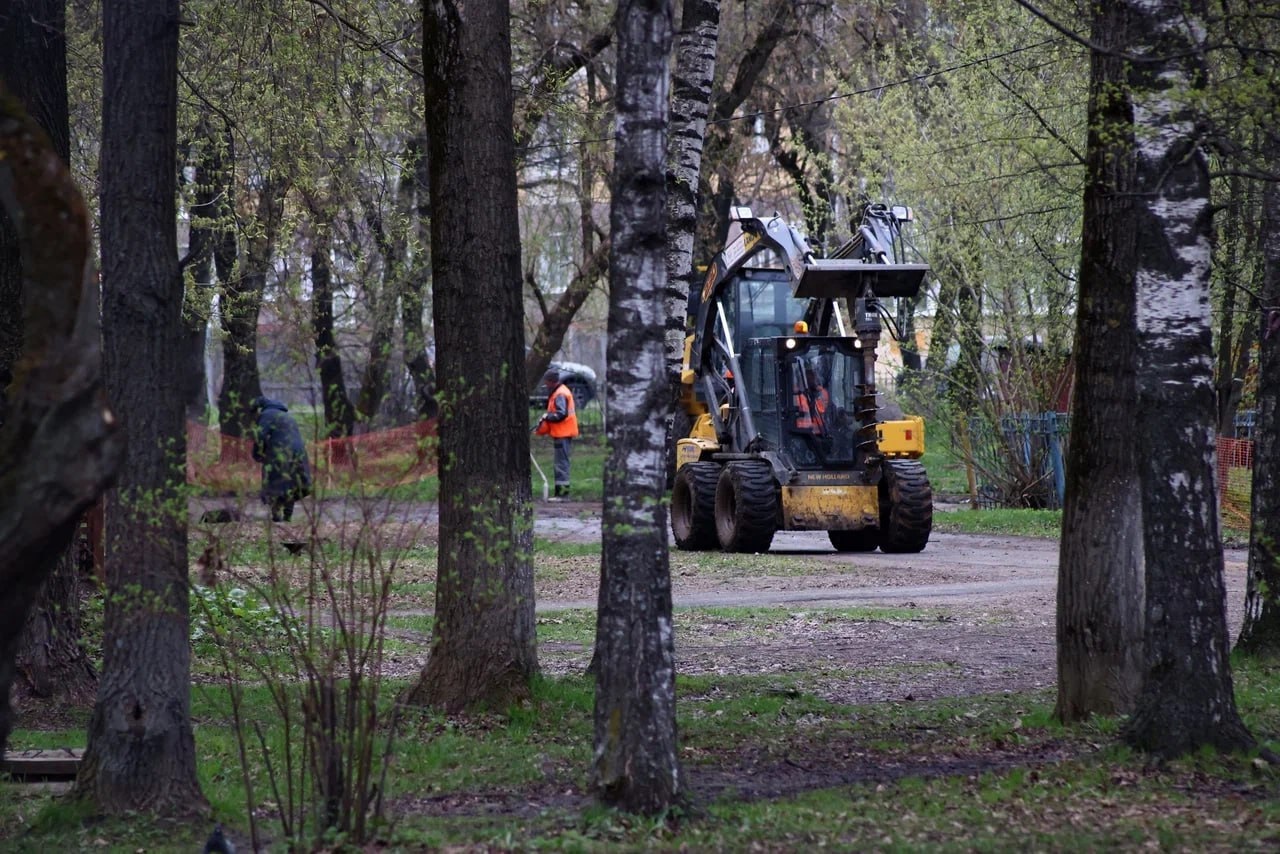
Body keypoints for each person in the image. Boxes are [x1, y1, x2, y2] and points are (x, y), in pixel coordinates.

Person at [251, 396, 312, 522]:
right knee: (292, 483)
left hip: (280, 452)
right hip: (299, 452)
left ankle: (276, 515)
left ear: (259, 409)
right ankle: (288, 515)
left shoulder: (267, 414)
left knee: (274, 482)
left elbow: (260, 436)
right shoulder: (287, 416)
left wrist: (257, 453)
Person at [534, 369, 579, 499]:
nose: (545, 384)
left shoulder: (560, 394)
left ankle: (562, 495)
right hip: (562, 432)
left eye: (546, 381)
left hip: (563, 433)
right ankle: (561, 494)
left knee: (561, 464)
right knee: (561, 463)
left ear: (551, 381)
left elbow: (561, 414)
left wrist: (547, 417)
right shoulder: (560, 391)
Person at [794, 361, 831, 433]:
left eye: (813, 373)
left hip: (822, 433)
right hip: (801, 434)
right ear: (800, 376)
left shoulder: (822, 393)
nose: (812, 376)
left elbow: (830, 410)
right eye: (808, 373)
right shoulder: (794, 396)